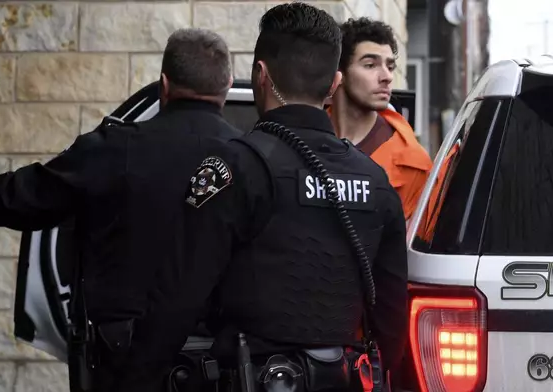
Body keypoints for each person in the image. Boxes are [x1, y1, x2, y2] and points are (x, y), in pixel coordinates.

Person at [0, 28, 242, 392]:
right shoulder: (254, 159)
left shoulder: (114, 149)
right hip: (222, 364)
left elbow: (26, 197)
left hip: (122, 362)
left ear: (164, 84)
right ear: (227, 85)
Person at [121, 3, 409, 392]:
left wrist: (136, 377)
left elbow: (178, 296)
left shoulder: (231, 167)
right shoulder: (375, 180)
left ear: (260, 74)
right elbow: (392, 318)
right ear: (334, 83)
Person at [327, 17, 432, 222]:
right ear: (339, 73)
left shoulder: (413, 165)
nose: (386, 76)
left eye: (390, 66)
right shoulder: (301, 138)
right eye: (370, 65)